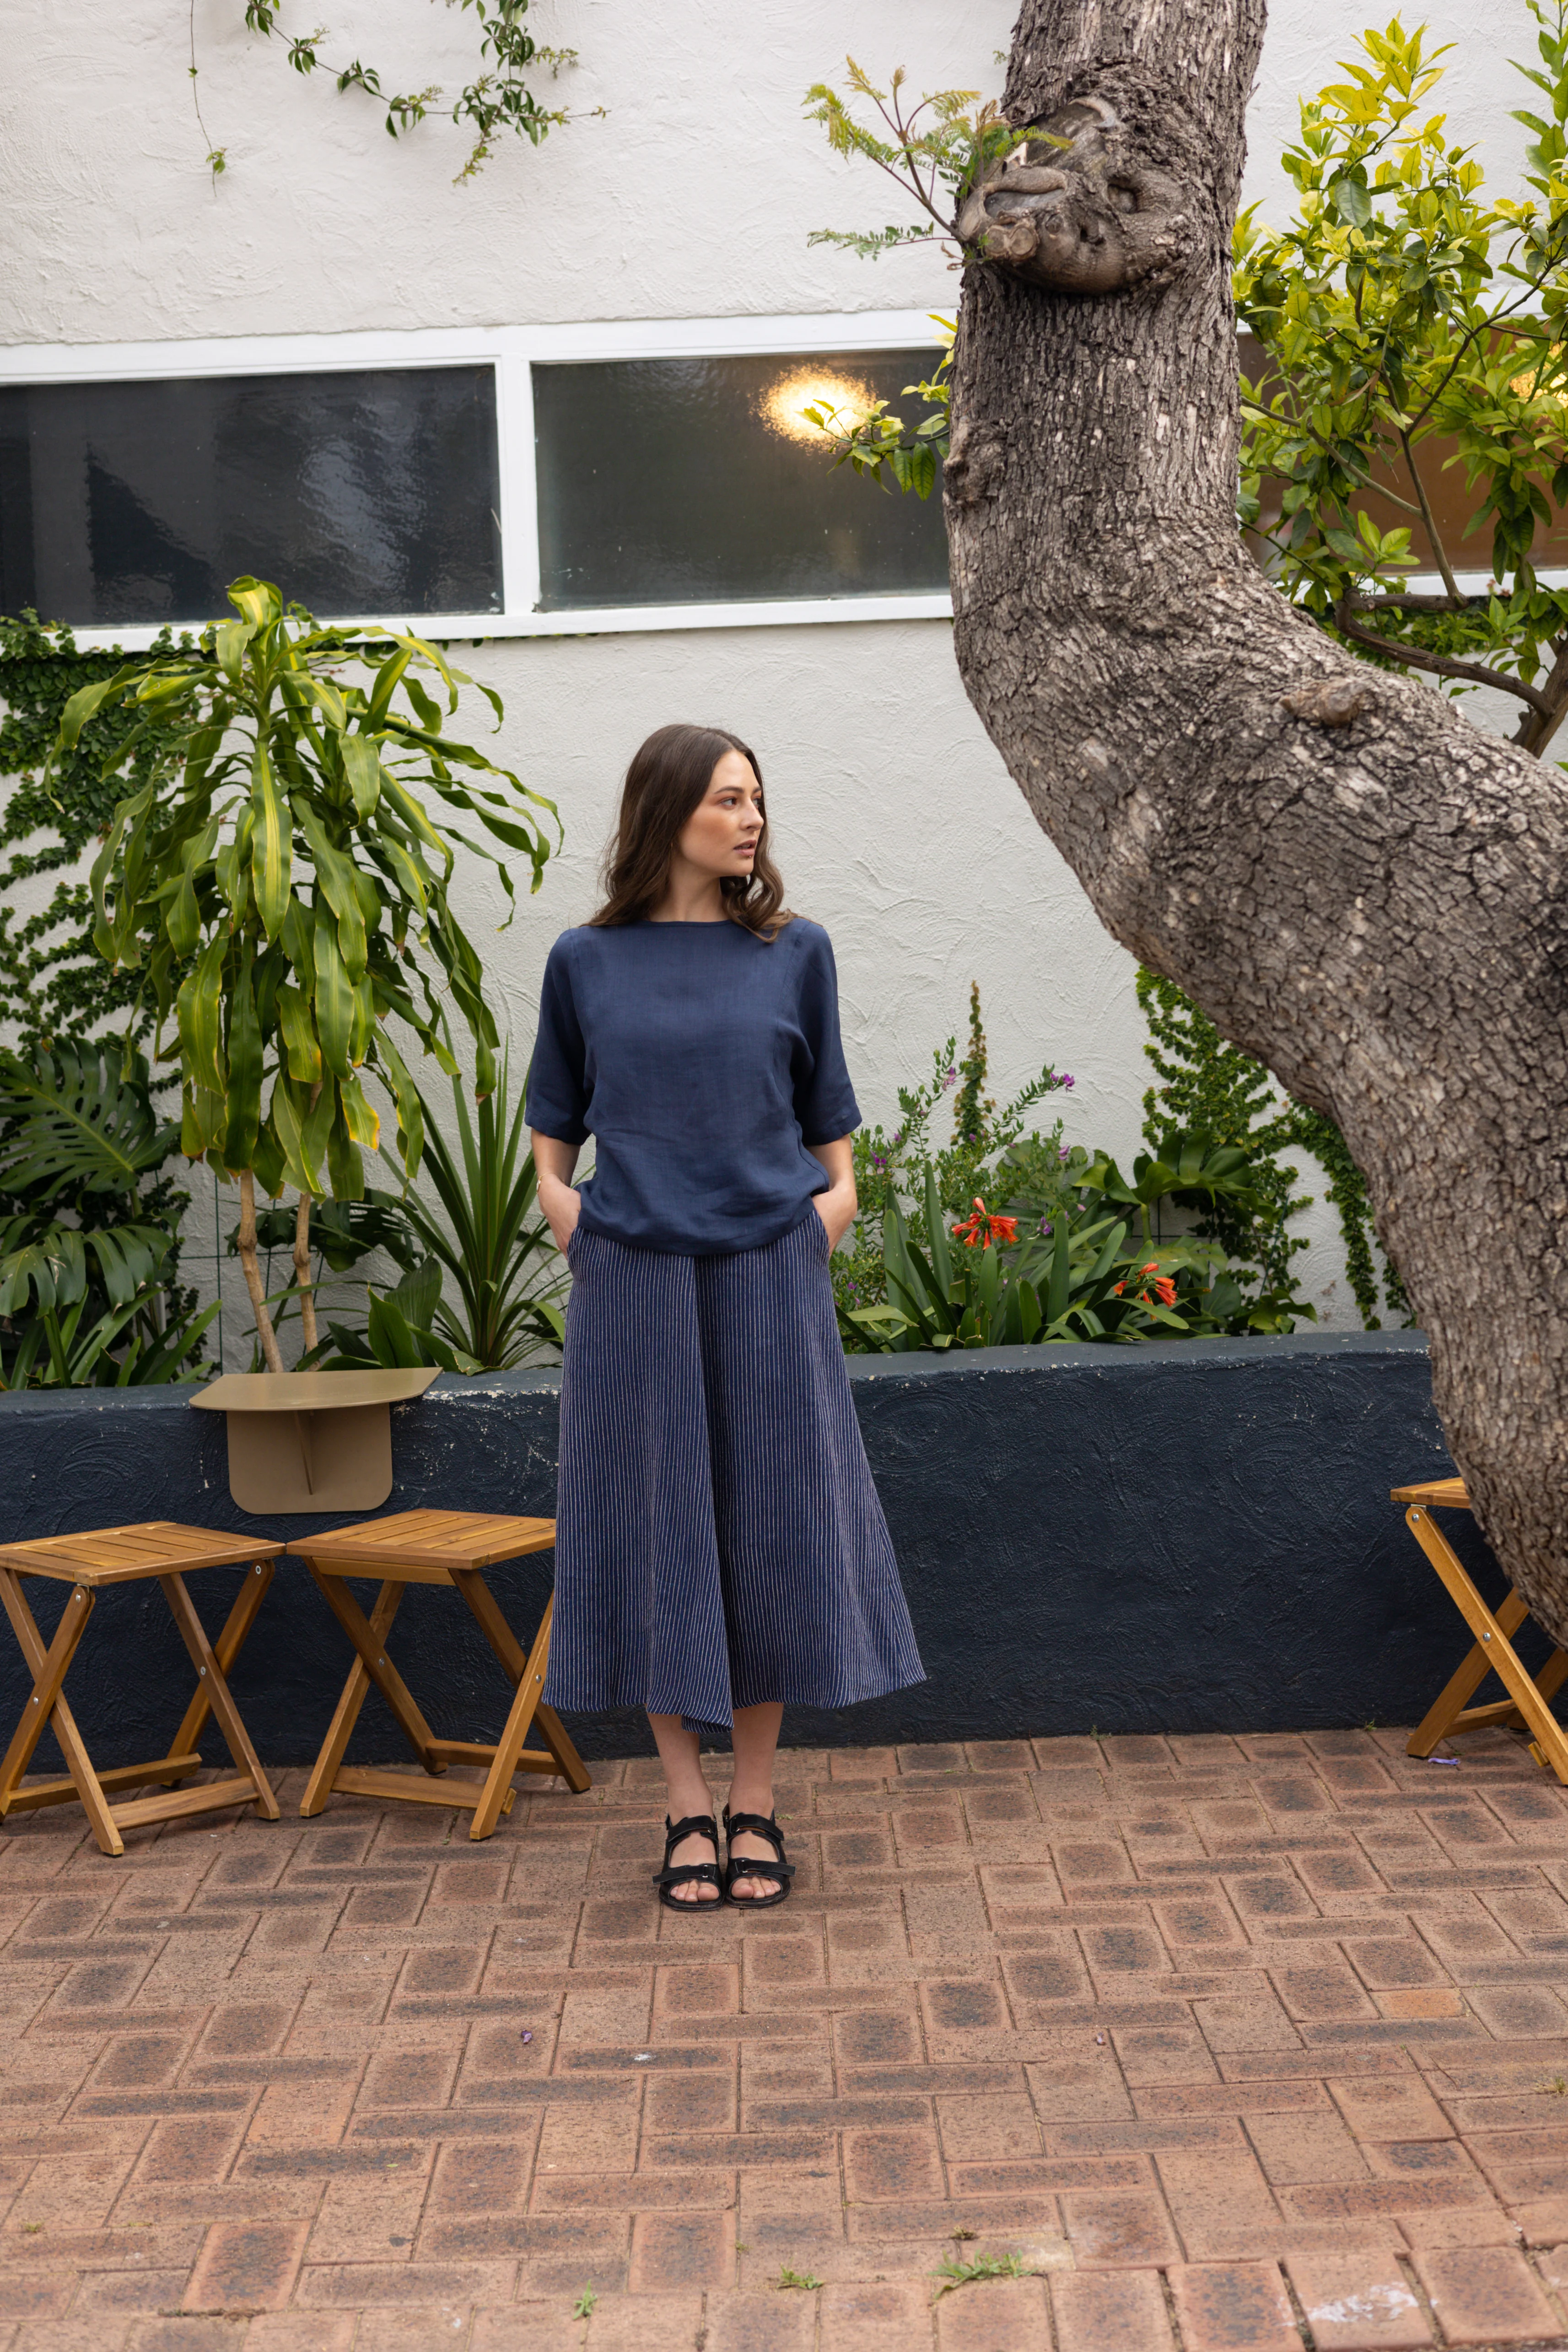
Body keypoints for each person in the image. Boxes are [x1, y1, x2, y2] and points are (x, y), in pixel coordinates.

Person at [525, 722, 925, 1909]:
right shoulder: (584, 961)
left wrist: (825, 1220)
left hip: (769, 1271)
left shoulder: (796, 952)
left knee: (773, 1531)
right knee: (659, 1534)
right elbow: (552, 1130)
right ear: (668, 813)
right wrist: (573, 1222)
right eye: (726, 800)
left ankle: (754, 1800)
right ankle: (683, 1806)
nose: (750, 819)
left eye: (757, 800)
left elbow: (832, 1135)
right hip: (636, 1280)